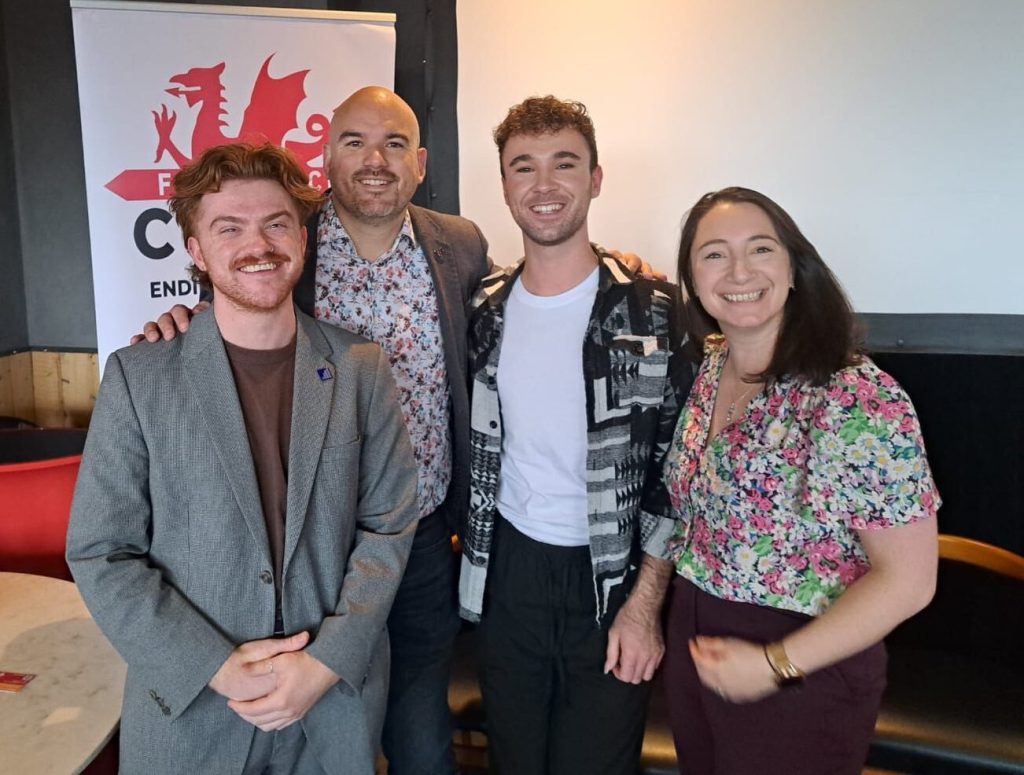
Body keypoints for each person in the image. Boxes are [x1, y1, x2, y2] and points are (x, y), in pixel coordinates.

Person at [134, 86, 658, 775]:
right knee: (318, 723)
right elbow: (237, 295)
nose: (374, 159)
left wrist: (621, 276)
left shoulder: (459, 244)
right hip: (312, 546)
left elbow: (538, 286)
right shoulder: (288, 243)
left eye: (393, 143)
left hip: (421, 539)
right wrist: (177, 321)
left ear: (420, 161)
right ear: (326, 161)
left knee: (420, 727)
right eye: (353, 141)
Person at [66, 142, 419, 774]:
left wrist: (325, 661)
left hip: (330, 708)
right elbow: (102, 551)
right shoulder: (138, 378)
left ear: (303, 241)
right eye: (229, 228)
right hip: (194, 714)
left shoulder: (361, 368)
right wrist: (215, 667)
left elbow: (388, 525)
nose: (258, 244)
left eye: (276, 223)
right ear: (197, 251)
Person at [659, 187, 940, 774]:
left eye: (760, 249)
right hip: (698, 642)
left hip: (801, 663)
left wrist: (773, 664)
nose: (738, 271)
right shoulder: (713, 364)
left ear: (794, 269)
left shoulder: (857, 398)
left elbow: (910, 581)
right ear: (692, 278)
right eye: (713, 255)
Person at [457, 96, 692, 774]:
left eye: (566, 163)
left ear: (595, 177)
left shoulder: (654, 308)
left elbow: (680, 472)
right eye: (523, 167)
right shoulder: (484, 308)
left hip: (614, 579)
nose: (544, 185)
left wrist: (646, 604)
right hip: (509, 574)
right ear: (504, 186)